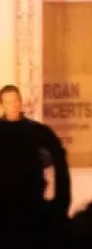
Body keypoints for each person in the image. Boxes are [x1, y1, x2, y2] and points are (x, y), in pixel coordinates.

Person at [0, 82, 70, 218]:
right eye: (8, 102)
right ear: (2, 106)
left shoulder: (39, 133)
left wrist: (57, 206)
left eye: (15, 101)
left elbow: (58, 163)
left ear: (20, 103)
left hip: (33, 206)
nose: (13, 106)